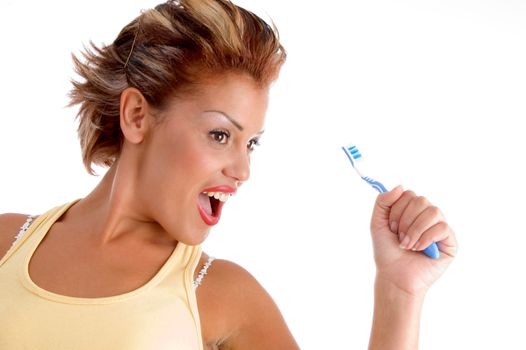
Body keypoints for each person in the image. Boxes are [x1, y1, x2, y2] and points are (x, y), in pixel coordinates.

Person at [0, 0, 458, 349]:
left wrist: (399, 292)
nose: (243, 170)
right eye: (220, 135)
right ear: (137, 116)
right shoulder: (6, 244)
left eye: (252, 143)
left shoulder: (225, 295)